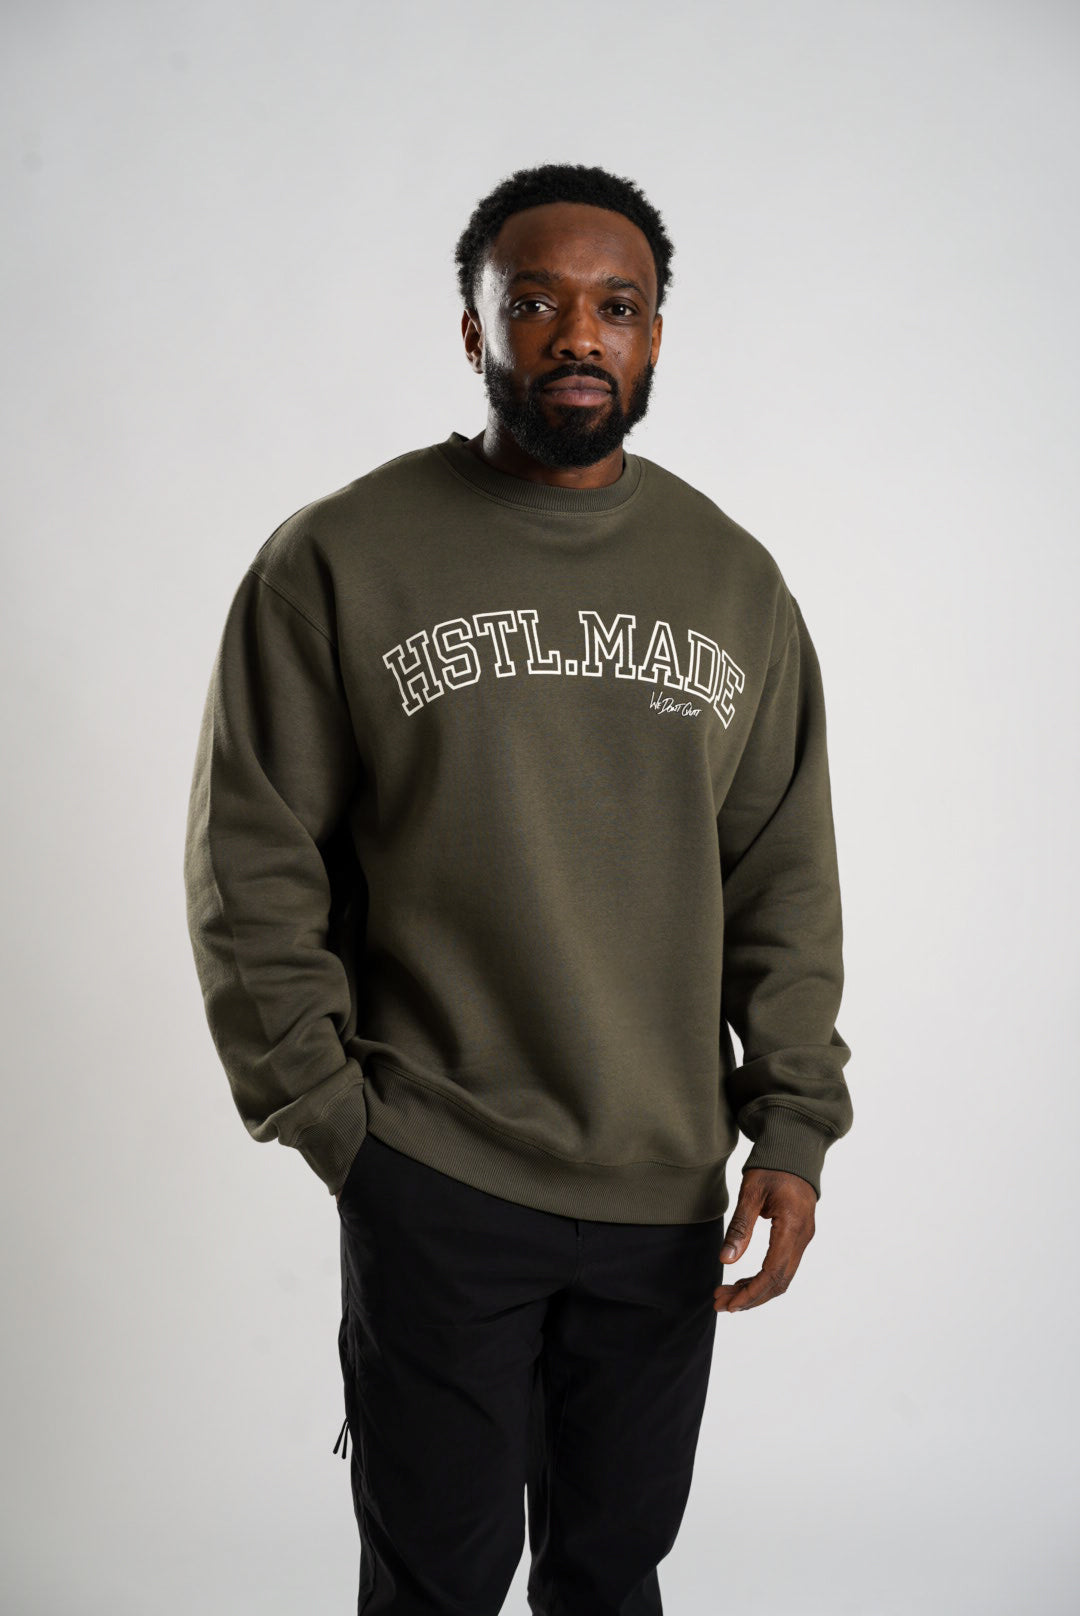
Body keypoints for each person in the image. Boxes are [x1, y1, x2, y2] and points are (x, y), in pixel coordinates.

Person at [183, 160, 854, 1615]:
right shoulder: (338, 559)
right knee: (436, 1582)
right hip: (437, 1166)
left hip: (664, 1184)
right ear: (474, 326)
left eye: (618, 305)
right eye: (536, 301)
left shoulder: (733, 581)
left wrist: (793, 1126)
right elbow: (253, 861)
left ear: (656, 334)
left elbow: (784, 878)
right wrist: (336, 1120)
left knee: (612, 1576)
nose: (578, 335)